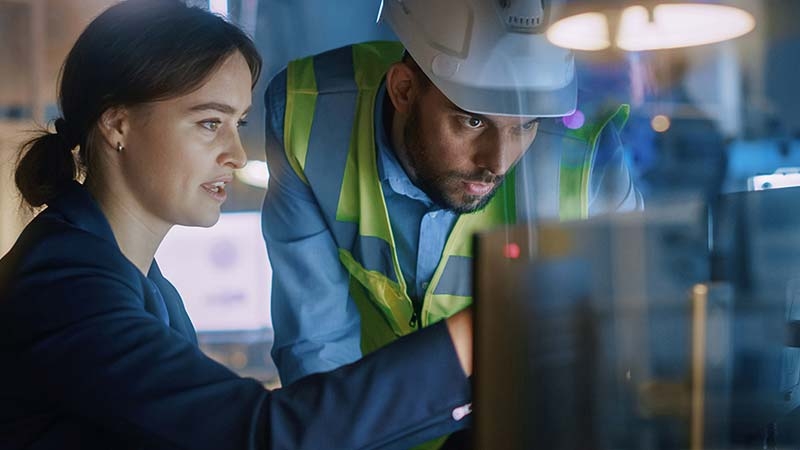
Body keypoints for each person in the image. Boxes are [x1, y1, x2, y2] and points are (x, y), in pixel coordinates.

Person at [0, 1, 475, 449]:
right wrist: (469, 342)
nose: (237, 154)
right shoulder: (66, 282)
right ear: (117, 125)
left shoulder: (140, 284)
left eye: (239, 122)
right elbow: (257, 435)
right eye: (210, 123)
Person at [263, 0, 642, 384]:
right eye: (473, 120)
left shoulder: (590, 154)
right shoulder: (309, 114)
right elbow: (316, 347)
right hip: (366, 432)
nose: (497, 162)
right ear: (404, 89)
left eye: (526, 126)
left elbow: (630, 340)